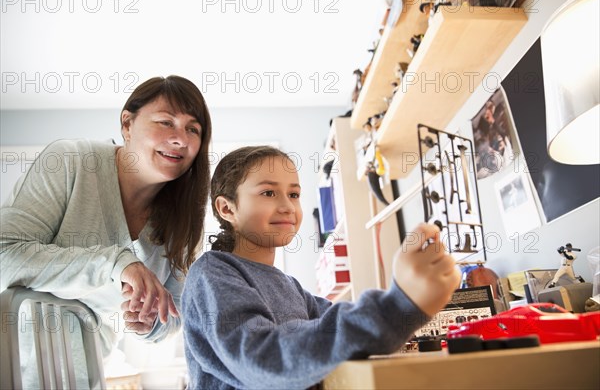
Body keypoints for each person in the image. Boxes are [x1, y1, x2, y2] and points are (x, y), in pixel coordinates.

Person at [182, 145, 460, 389]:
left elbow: (339, 332)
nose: (287, 206)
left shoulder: (290, 287)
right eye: (268, 192)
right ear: (227, 209)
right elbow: (263, 359)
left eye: (294, 194)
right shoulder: (211, 272)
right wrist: (399, 304)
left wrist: (409, 308)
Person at [1, 75, 213, 357]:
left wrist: (149, 323)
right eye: (166, 122)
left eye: (193, 129)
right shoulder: (69, 162)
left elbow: (175, 312)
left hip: (85, 373)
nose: (179, 139)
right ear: (127, 124)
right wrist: (115, 263)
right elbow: (6, 255)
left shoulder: (185, 222)